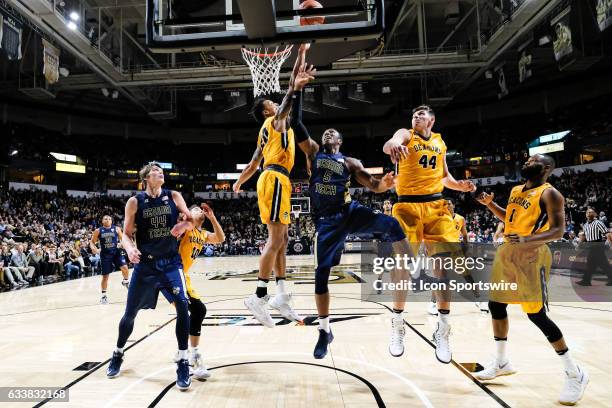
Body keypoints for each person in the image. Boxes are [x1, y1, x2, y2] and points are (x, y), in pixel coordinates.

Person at [474, 154, 588, 406]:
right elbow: (510, 219)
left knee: (536, 315)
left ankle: (574, 373)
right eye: (526, 160)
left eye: (532, 160)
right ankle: (502, 362)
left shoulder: (551, 194)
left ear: (546, 167)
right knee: (496, 305)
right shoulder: (516, 189)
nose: (526, 161)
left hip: (532, 255)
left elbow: (558, 229)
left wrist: (526, 240)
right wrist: (491, 206)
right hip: (508, 252)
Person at [296, 124, 410, 359]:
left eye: (333, 132)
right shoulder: (314, 154)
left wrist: (385, 184)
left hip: (349, 212)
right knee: (321, 274)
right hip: (327, 223)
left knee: (391, 224)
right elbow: (297, 127)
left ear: (340, 140)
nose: (328, 132)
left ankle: (412, 260)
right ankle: (324, 330)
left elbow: (374, 186)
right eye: (325, 131)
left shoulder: (350, 162)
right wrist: (296, 92)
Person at [383, 105, 476, 364]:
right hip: (407, 206)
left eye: (422, 115)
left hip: (437, 206)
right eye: (414, 114)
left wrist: (459, 185)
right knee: (401, 264)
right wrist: (393, 144)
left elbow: (445, 176)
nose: (417, 117)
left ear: (432, 120)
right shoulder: (406, 134)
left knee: (442, 267)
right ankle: (398, 322)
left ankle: (443, 329)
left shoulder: (439, 142)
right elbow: (391, 142)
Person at [232, 45, 315, 327]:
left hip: (272, 179)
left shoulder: (266, 132)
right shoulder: (274, 120)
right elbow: (288, 98)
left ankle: (280, 295)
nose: (274, 102)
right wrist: (293, 89)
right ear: (268, 109)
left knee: (284, 240)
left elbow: (253, 163)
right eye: (272, 102)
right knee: (276, 240)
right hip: (276, 179)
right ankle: (258, 295)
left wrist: (238, 183)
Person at [106, 161, 194, 391]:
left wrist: (181, 227)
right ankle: (118, 352)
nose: (160, 173)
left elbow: (191, 220)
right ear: (146, 178)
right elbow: (125, 234)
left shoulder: (174, 196)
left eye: (161, 171)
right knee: (130, 314)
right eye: (156, 171)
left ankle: (183, 360)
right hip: (145, 266)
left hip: (170, 264)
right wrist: (129, 249)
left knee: (183, 307)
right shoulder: (135, 202)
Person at [161, 203, 225, 380]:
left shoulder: (202, 234)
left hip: (183, 277)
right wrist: (182, 217)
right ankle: (189, 358)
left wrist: (212, 218)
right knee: (192, 311)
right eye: (195, 209)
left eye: (200, 210)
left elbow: (220, 238)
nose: (199, 211)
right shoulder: (186, 228)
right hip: (169, 274)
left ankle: (188, 353)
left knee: (195, 312)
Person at [91, 215, 130, 304]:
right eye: (105, 219)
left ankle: (125, 281)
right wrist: (94, 248)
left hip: (116, 252)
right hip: (105, 254)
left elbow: (122, 239)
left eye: (109, 219)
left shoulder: (116, 229)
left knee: (125, 267)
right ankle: (104, 296)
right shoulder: (98, 230)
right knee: (105, 276)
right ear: (102, 221)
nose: (108, 220)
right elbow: (92, 242)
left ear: (111, 221)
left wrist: (122, 243)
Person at [576, 207, 612, 286]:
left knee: (594, 263)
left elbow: (607, 233)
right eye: (588, 212)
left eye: (591, 212)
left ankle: (586, 280)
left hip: (597, 245)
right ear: (586, 215)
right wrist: (579, 245)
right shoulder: (585, 225)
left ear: (594, 214)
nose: (589, 214)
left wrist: (610, 243)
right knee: (601, 264)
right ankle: (586, 280)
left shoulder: (598, 223)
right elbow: (584, 236)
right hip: (590, 245)